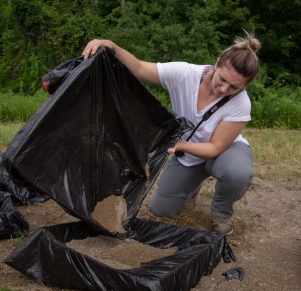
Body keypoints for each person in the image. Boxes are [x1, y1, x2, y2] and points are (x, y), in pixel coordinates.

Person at [82, 31, 261, 236]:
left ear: (244, 86)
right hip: (190, 154)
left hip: (223, 151)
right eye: (222, 79)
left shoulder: (241, 103)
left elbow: (215, 147)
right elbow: (140, 68)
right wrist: (110, 44)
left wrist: (181, 146)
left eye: (234, 87)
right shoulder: (185, 74)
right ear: (218, 62)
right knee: (161, 209)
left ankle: (221, 213)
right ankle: (193, 184)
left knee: (237, 173)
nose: (223, 89)